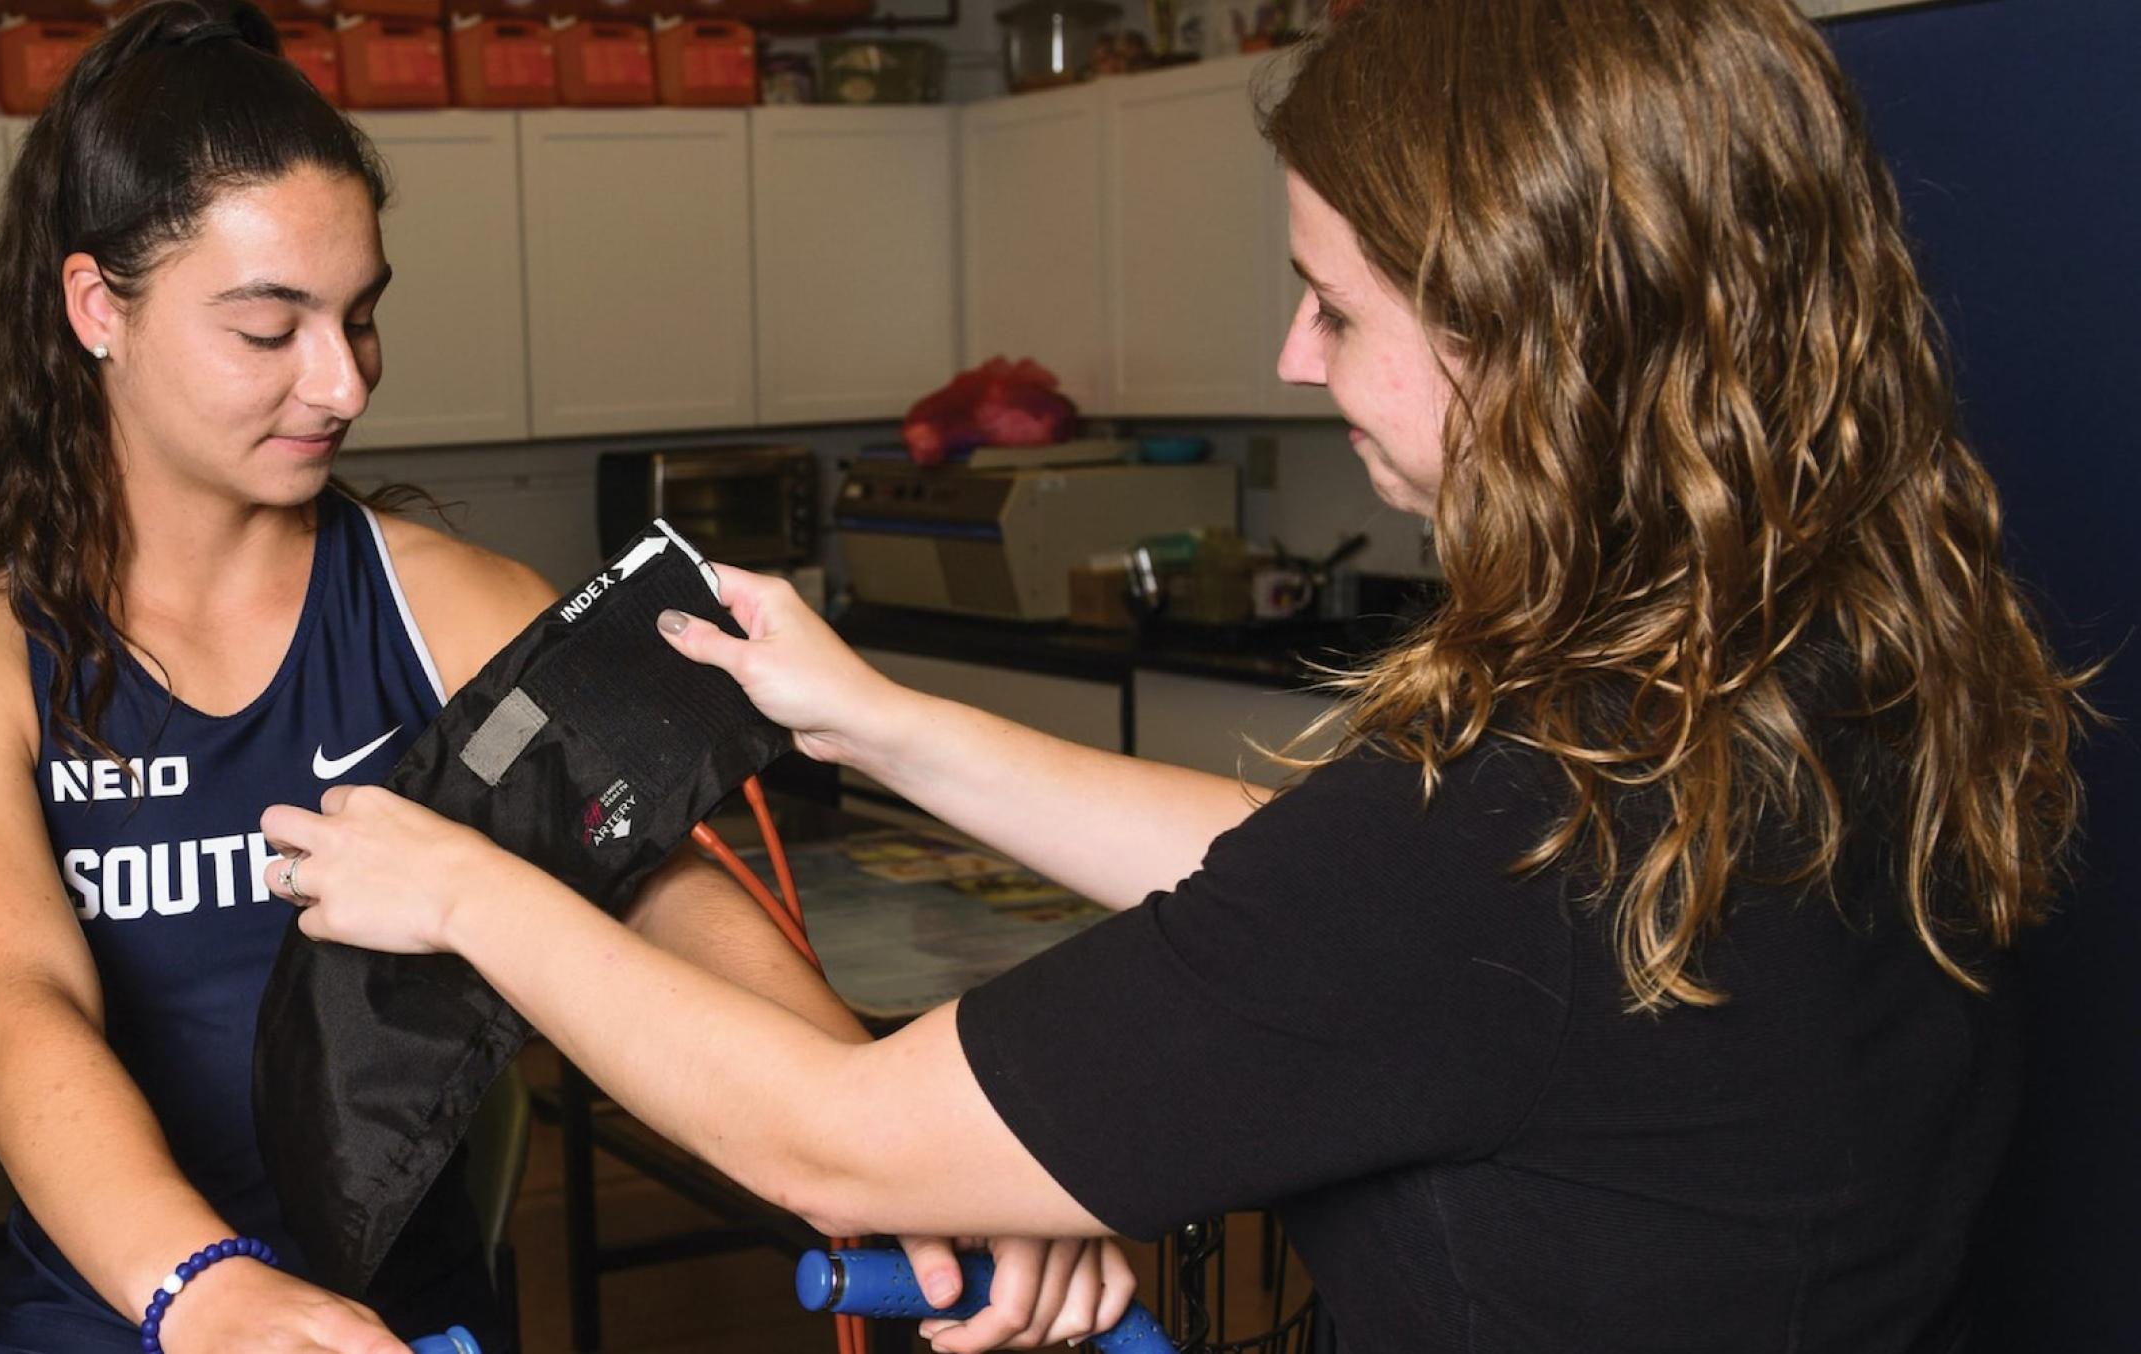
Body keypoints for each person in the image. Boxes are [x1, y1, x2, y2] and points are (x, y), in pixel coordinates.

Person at [261, 0, 2100, 1350]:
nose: (1291, 355)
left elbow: (837, 1144)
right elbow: (1312, 876)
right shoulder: (1827, 662)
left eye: (1340, 304)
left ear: (1541, 343)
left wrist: (473, 894)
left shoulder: (1498, 839)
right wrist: (881, 720)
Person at [0, 4, 1122, 1350]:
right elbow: (17, 1013)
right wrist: (204, 1289)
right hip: (129, 1315)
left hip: (418, 1325)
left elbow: (669, 900)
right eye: (268, 329)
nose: (341, 384)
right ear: (96, 306)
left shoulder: (448, 610)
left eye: (361, 319)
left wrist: (902, 1149)